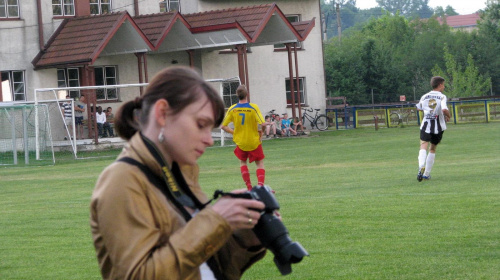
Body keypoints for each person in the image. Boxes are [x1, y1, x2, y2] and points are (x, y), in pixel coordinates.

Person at [90, 66, 266, 280]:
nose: (209, 139)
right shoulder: (122, 180)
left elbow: (205, 267)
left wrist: (248, 235)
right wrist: (216, 218)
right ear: (162, 113)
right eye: (201, 125)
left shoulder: (182, 173)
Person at [221, 85, 267, 190]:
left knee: (242, 162)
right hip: (253, 141)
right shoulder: (253, 107)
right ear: (247, 94)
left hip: (240, 142)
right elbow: (263, 124)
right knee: (259, 163)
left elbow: (223, 126)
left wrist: (234, 132)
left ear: (237, 95)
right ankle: (260, 187)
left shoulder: (232, 109)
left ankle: (249, 188)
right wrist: (262, 133)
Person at [416, 76, 451, 182]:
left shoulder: (424, 96)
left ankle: (421, 165)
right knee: (432, 148)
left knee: (423, 146)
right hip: (438, 127)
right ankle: (426, 173)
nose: (444, 87)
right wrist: (449, 116)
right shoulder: (442, 97)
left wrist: (427, 111)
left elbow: (418, 107)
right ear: (440, 85)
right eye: (443, 85)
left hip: (426, 125)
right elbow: (444, 109)